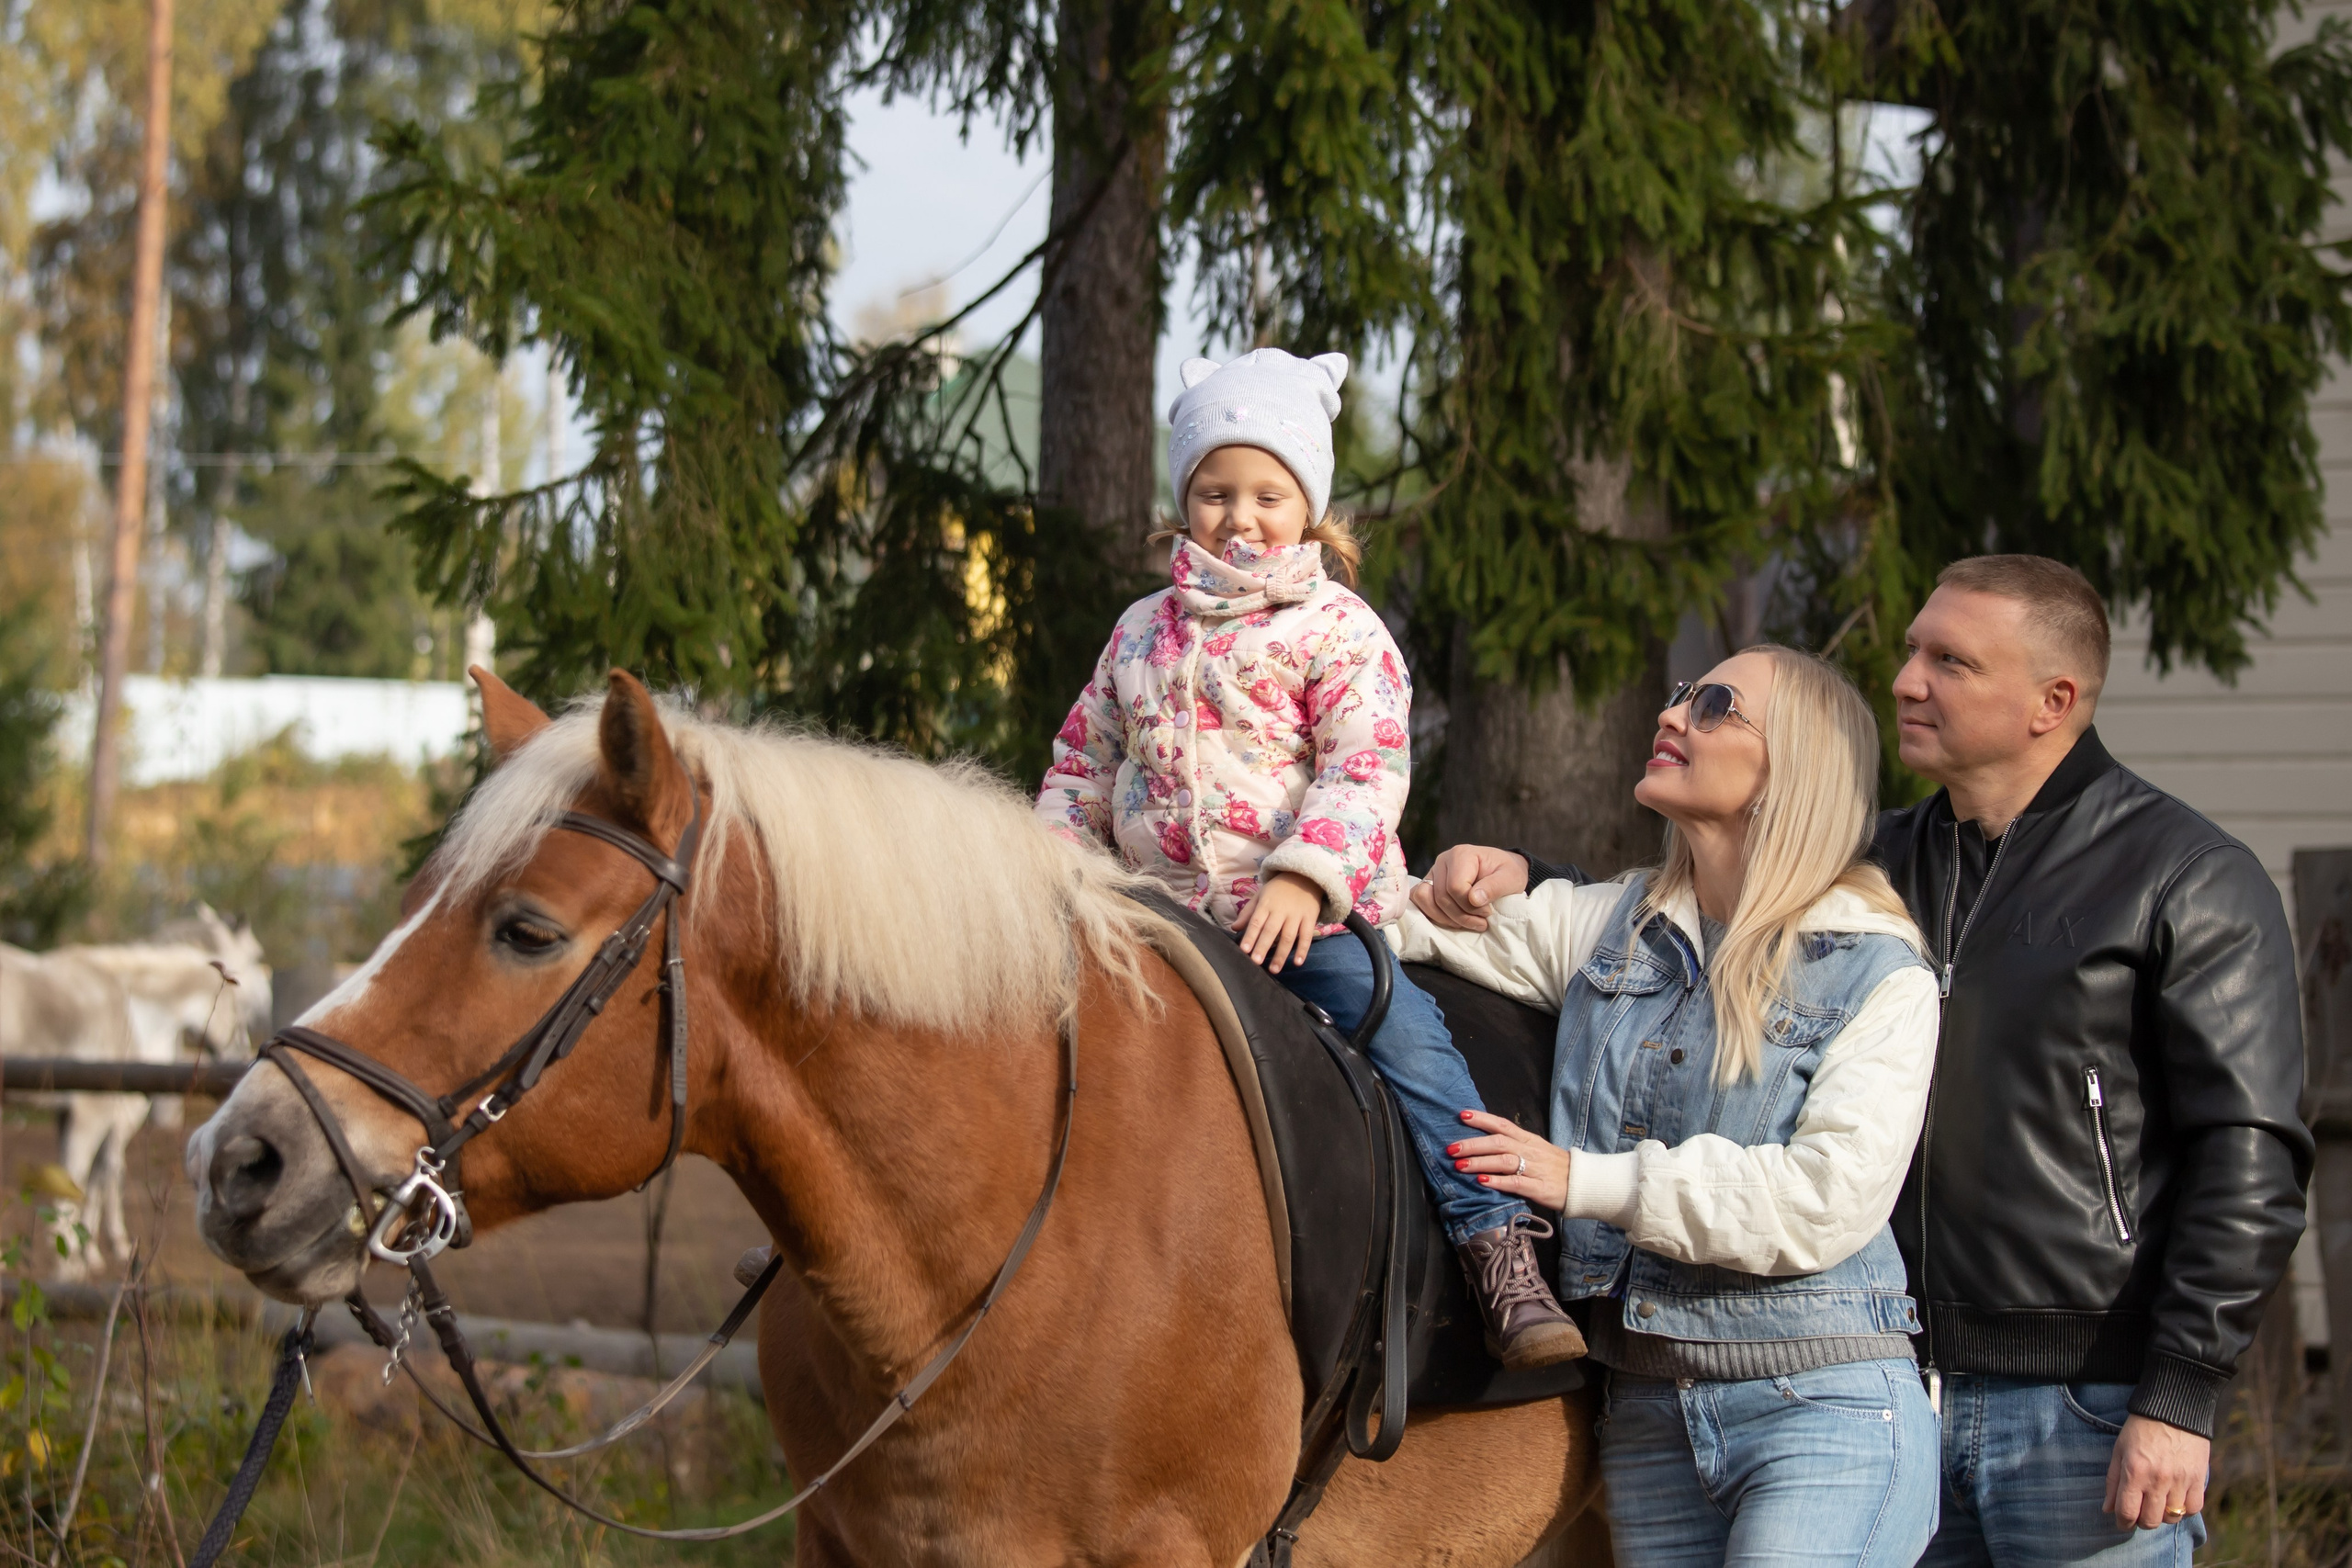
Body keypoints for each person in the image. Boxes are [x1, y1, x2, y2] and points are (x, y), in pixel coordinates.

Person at [1428, 556, 2312, 1562]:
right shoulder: (1866, 869)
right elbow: (1687, 913)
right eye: (1909, 652)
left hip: (2080, 1405)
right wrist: (1531, 879)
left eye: (1951, 661)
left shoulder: (2183, 878)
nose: (1906, 679)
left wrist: (2179, 1394)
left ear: (2050, 701)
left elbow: (2250, 1159)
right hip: (1870, 1375)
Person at [1032, 346, 1582, 1370]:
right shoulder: (1139, 632)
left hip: (1301, 916)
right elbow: (1079, 765)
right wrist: (1064, 869)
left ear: (1309, 508)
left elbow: (1366, 766)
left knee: (1410, 1041)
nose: (1239, 517)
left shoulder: (1337, 629)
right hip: (1151, 912)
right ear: (1184, 502)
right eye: (1213, 492)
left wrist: (1302, 875)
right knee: (1016, 1025)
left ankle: (1491, 1244)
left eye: (1266, 495)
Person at [1402, 645, 1942, 1566]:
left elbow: (1826, 1199)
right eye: (1681, 693)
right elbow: (1390, 923)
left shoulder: (1876, 970)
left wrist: (1586, 1180)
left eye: (1716, 704)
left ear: (1792, 768)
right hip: (1648, 1418)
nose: (1672, 714)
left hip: (1823, 1409)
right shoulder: (1613, 926)